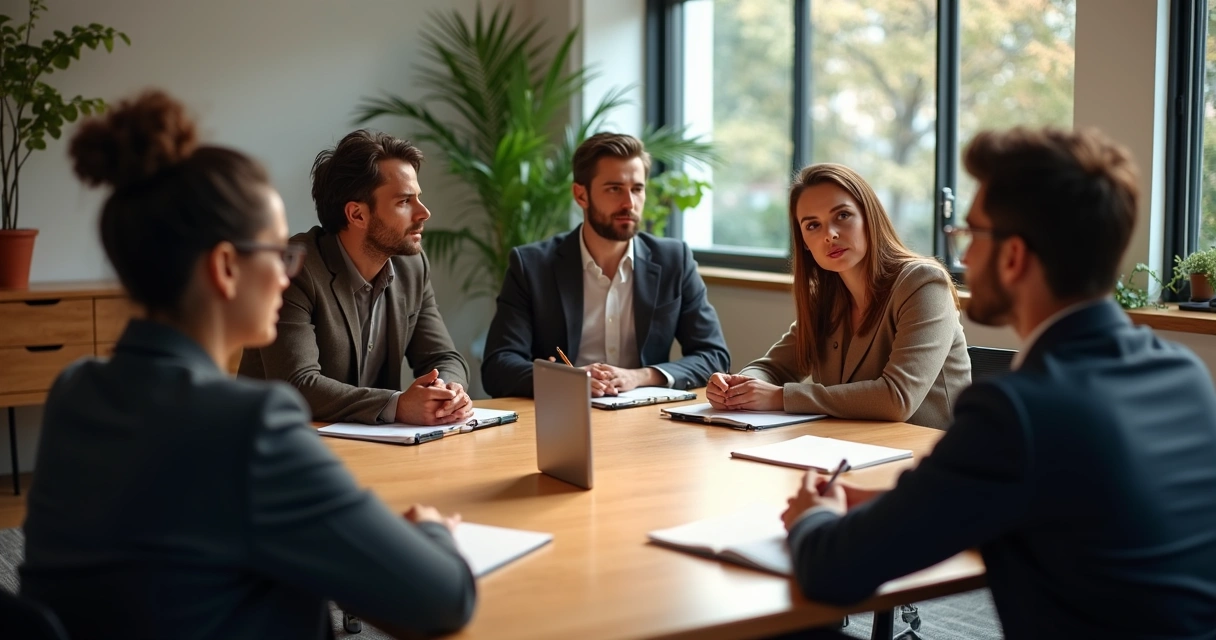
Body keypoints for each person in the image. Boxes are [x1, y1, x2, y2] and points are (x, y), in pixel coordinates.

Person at [19, 91, 477, 639]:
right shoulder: (251, 426)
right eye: (277, 256)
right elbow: (443, 600)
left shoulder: (75, 392)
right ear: (226, 269)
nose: (287, 275)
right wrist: (432, 533)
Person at [782, 127, 1216, 638]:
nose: (961, 257)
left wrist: (813, 515)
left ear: (1012, 257)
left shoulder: (1016, 411)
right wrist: (885, 505)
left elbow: (833, 570)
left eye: (971, 234)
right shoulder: (1184, 377)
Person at [707, 163, 969, 429]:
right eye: (812, 226)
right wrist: (737, 387)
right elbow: (774, 369)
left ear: (870, 216)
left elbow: (897, 398)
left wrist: (779, 397)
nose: (829, 235)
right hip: (849, 450)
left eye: (842, 216)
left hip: (932, 456)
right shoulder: (827, 298)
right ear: (805, 244)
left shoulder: (923, 283)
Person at [238, 130, 471, 425]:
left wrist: (448, 391)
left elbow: (445, 357)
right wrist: (397, 405)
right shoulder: (294, 268)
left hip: (374, 446)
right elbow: (298, 384)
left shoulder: (412, 267)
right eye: (404, 201)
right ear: (357, 215)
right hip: (276, 441)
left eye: (418, 199)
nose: (424, 213)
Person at [481, 132, 730, 398]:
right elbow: (498, 366)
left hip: (646, 418)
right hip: (566, 414)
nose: (629, 203)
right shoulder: (532, 266)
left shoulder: (673, 260)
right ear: (581, 195)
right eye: (614, 189)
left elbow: (714, 356)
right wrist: (568, 380)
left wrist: (640, 376)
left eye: (637, 189)